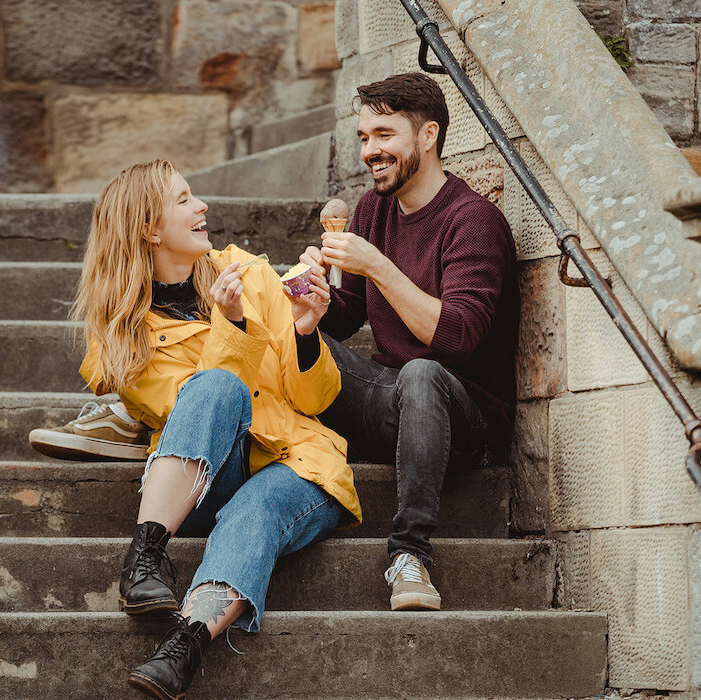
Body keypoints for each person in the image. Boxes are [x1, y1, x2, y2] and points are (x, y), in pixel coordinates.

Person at [68, 159, 361, 700]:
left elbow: (315, 399)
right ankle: (146, 555)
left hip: (298, 465)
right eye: (183, 200)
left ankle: (186, 642)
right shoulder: (122, 339)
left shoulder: (248, 272)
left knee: (256, 509)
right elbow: (196, 403)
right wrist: (234, 325)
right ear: (150, 229)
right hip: (203, 481)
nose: (202, 206)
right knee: (219, 390)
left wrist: (303, 335)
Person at [299, 72, 518, 612]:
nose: (371, 151)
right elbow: (349, 315)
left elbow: (456, 336)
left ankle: (410, 554)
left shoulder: (474, 222)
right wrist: (313, 303)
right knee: (288, 338)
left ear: (428, 136)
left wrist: (379, 265)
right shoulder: (373, 209)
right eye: (364, 137)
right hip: (390, 398)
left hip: (464, 417)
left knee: (421, 372)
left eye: (385, 135)